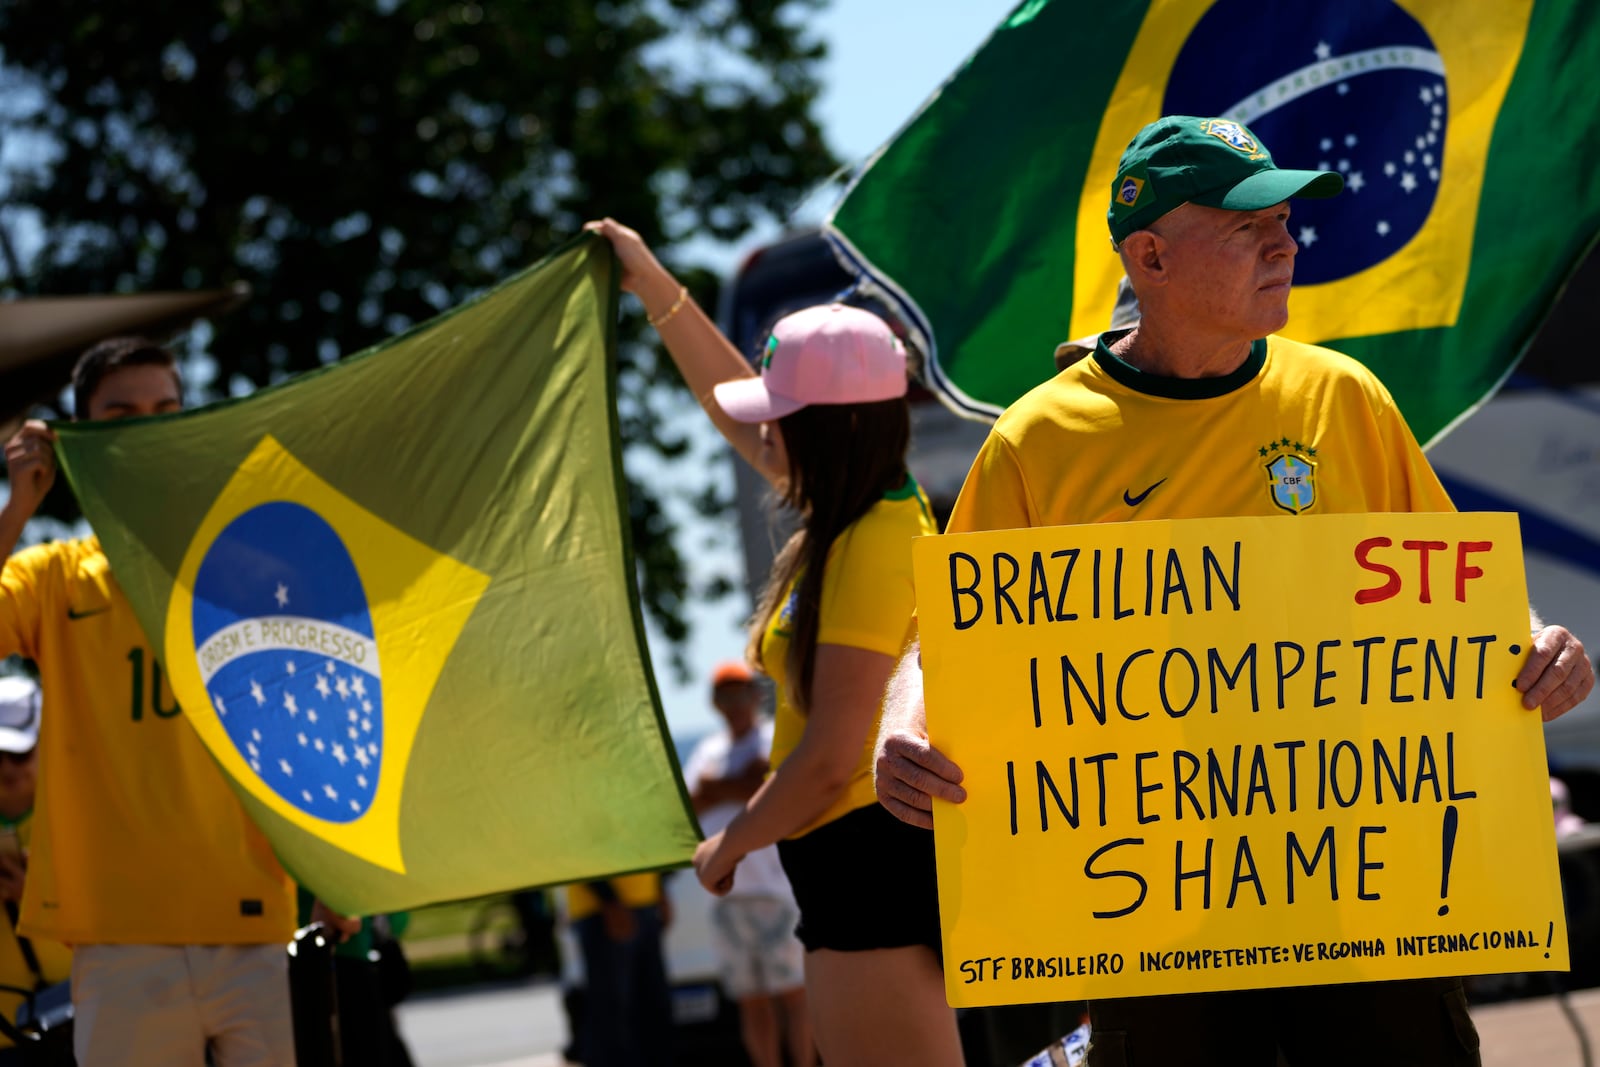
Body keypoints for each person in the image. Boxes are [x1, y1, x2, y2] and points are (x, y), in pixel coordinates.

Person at [871, 115, 1595, 1067]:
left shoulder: (1345, 397)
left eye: (1286, 219)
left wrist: (1543, 644)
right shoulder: (1039, 440)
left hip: (1367, 895)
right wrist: (902, 722)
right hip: (1156, 919)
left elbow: (1457, 595)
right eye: (1246, 224)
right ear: (1152, 257)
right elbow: (944, 640)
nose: (1285, 242)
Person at [586, 218, 956, 1066]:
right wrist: (653, 286)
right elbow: (727, 402)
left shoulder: (874, 539)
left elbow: (831, 757)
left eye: (780, 412)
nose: (763, 431)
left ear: (829, 428)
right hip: (850, 876)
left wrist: (731, 841)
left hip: (870, 873)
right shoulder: (858, 515)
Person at [0, 336, 360, 1066]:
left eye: (165, 409)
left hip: (257, 930)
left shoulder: (256, 573)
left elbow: (302, 736)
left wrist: (335, 874)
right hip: (119, 946)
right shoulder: (57, 576)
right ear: (83, 434)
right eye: (121, 412)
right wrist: (18, 505)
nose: (147, 425)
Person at [681, 660, 813, 1067]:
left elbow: (767, 788)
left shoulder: (773, 739)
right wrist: (740, 786)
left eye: (741, 693)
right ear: (716, 703)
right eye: (725, 695)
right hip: (727, 897)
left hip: (777, 891)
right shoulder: (709, 750)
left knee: (794, 995)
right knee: (751, 1001)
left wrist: (722, 787)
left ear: (755, 696)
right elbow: (692, 802)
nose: (734, 703)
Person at [0, 676, 70, 1063]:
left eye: (20, 754)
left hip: (75, 1019)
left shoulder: (79, 816)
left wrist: (41, 895)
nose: (8, 769)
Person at [566, 873, 674, 1067]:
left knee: (653, 1006)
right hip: (601, 910)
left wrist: (659, 890)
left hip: (645, 902)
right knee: (611, 1011)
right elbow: (577, 852)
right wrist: (609, 899)